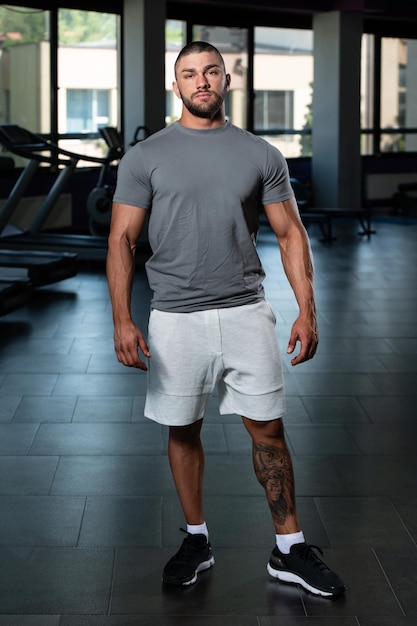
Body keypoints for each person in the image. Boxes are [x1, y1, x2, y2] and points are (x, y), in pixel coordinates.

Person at [106, 40, 346, 597]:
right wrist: (123, 318)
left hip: (246, 311)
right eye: (190, 74)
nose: (202, 81)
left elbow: (291, 234)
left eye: (211, 71)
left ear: (226, 79)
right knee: (183, 429)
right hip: (174, 316)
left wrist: (308, 311)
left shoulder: (261, 154)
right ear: (177, 85)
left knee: (269, 429)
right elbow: (122, 238)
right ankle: (196, 539)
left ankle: (289, 548)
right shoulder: (145, 157)